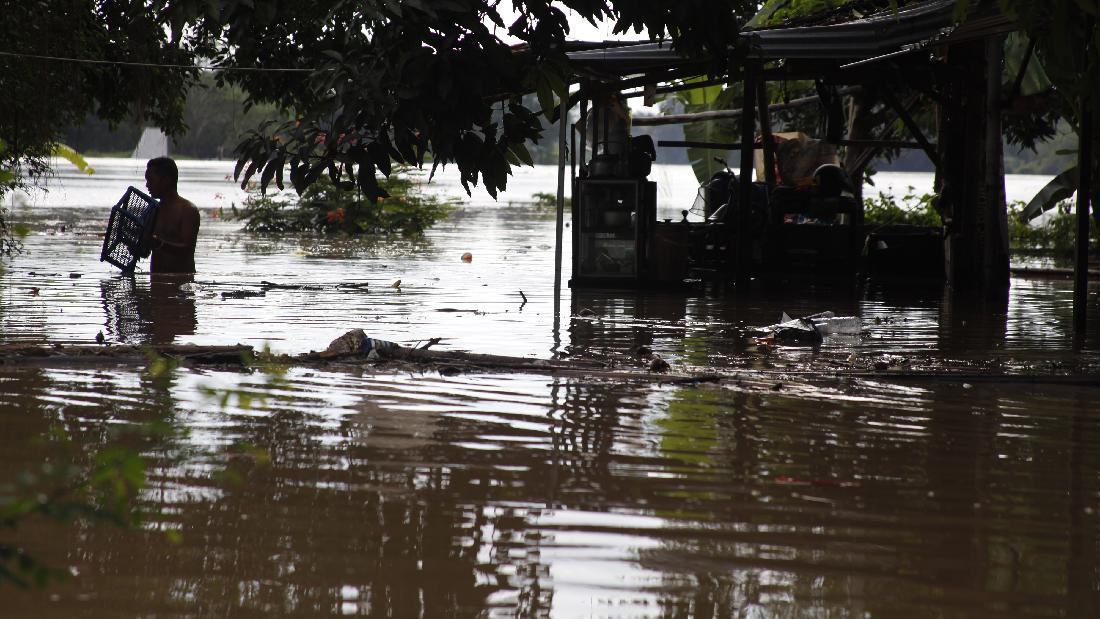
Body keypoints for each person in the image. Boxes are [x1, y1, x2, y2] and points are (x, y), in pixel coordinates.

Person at [144, 157, 199, 273]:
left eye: (151, 180)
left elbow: (187, 250)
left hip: (183, 282)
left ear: (166, 180)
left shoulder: (188, 210)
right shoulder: (153, 210)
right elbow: (145, 252)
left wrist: (159, 244)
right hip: (156, 282)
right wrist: (138, 245)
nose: (147, 185)